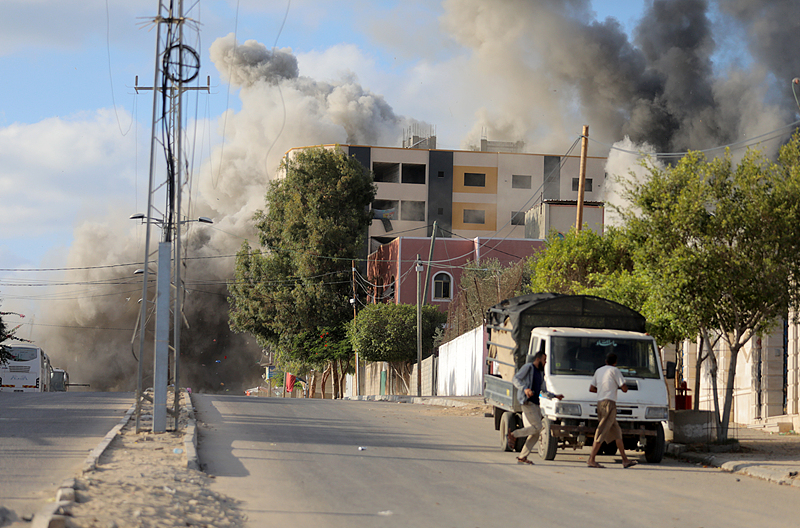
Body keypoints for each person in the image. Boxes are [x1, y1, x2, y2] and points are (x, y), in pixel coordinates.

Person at [508, 351, 564, 465]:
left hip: (535, 404)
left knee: (536, 433)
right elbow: (515, 379)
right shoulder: (528, 367)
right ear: (538, 359)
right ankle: (513, 434)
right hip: (527, 402)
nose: (545, 362)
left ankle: (522, 457)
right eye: (544, 360)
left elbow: (543, 390)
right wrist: (525, 389)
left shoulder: (539, 373)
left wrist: (554, 396)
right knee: (538, 427)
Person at [586, 352, 637, 469]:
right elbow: (624, 388)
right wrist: (617, 387)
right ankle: (591, 459)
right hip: (609, 403)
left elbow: (592, 388)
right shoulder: (615, 371)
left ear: (606, 361)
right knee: (602, 431)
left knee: (617, 432)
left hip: (600, 403)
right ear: (615, 362)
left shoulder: (599, 371)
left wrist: (603, 390)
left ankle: (625, 460)